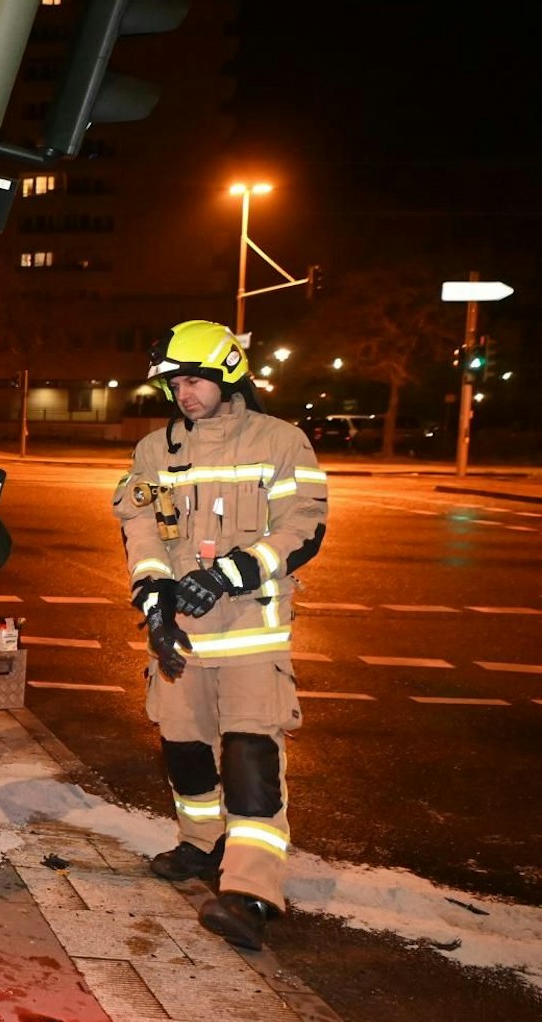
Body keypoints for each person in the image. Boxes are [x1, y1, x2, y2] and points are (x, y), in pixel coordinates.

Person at [113, 320, 329, 951]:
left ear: (228, 375)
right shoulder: (157, 451)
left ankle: (250, 893)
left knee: (249, 758)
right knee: (182, 746)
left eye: (197, 379)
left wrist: (233, 571)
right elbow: (141, 525)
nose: (186, 392)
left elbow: (304, 526)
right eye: (177, 382)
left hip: (251, 633)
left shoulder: (281, 442)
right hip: (180, 633)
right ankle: (201, 845)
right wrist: (153, 596)